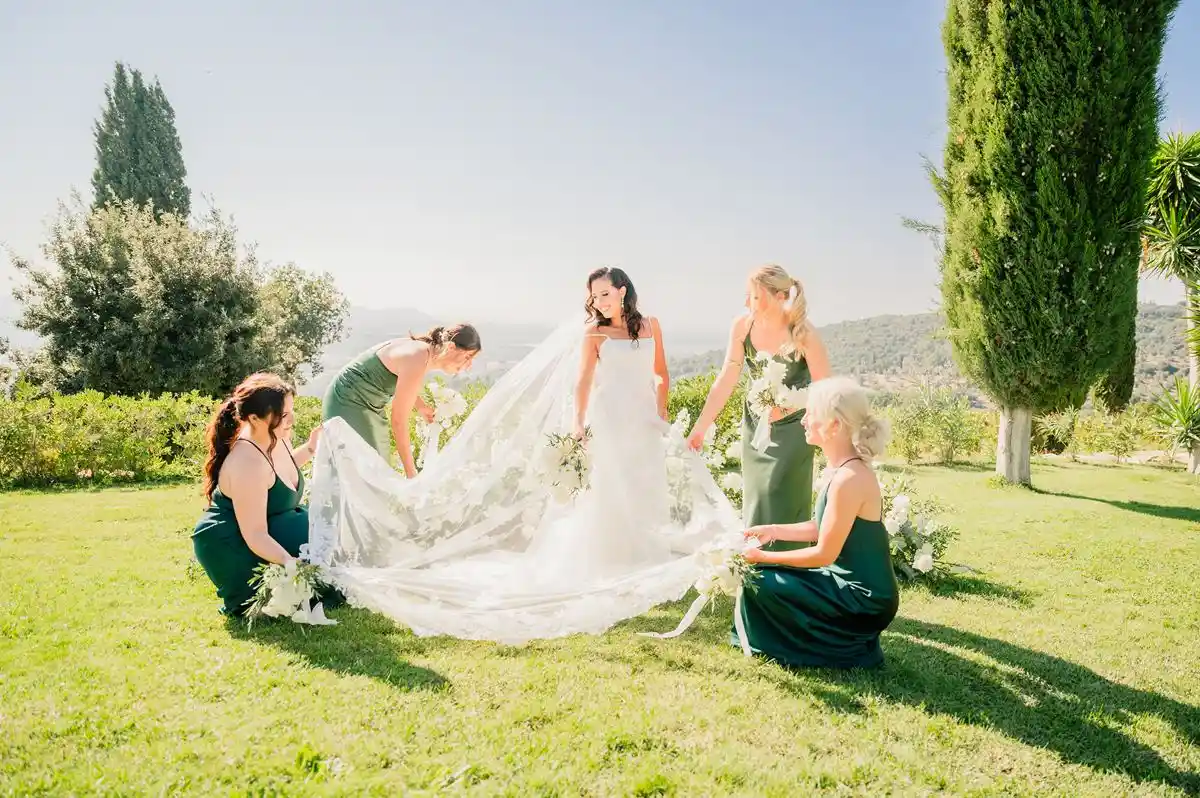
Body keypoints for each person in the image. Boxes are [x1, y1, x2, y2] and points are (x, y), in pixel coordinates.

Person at [303, 268, 741, 643]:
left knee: (645, 482)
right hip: (607, 417)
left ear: (624, 290)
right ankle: (610, 557)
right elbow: (583, 383)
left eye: (606, 293)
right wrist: (578, 425)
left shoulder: (652, 326)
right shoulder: (593, 331)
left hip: (643, 418)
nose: (600, 301)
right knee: (611, 486)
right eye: (594, 296)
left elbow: (661, 372)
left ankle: (646, 551)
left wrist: (660, 413)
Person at [739, 376, 899, 669]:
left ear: (835, 426)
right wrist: (771, 531)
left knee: (759, 578)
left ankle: (822, 650)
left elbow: (824, 554)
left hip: (863, 598)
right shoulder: (841, 469)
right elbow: (820, 525)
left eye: (811, 413)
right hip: (847, 587)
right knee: (760, 573)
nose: (803, 421)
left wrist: (763, 557)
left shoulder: (849, 479)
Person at [686, 265, 831, 539]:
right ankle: (756, 566)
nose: (746, 303)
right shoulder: (743, 326)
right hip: (756, 425)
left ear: (779, 296)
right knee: (757, 495)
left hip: (796, 427)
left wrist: (790, 406)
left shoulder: (802, 331)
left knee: (782, 492)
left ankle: (791, 567)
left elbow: (826, 386)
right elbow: (727, 377)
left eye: (753, 296)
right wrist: (700, 427)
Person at [191, 373, 327, 617]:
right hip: (234, 543)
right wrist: (292, 566)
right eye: (284, 415)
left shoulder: (277, 437)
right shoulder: (247, 462)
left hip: (263, 534)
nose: (291, 419)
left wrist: (309, 449)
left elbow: (278, 474)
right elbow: (255, 534)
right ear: (254, 418)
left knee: (335, 586)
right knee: (302, 600)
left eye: (291, 411)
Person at [321, 324, 481, 477]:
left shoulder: (424, 353)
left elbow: (403, 381)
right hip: (349, 400)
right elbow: (398, 421)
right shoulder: (418, 357)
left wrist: (421, 406)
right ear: (451, 347)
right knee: (367, 472)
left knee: (376, 470)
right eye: (467, 357)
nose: (469, 365)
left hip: (370, 405)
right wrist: (411, 473)